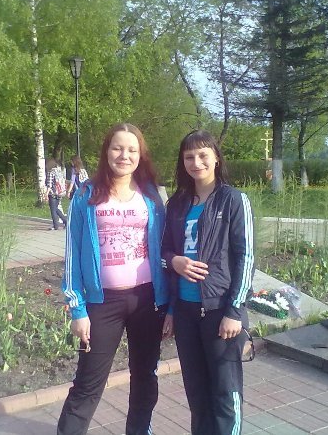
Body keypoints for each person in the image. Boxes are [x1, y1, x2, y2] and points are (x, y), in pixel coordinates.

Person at [57, 122, 170, 435]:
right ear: (106, 151)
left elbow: (163, 247)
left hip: (147, 300)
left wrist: (170, 303)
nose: (124, 155)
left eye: (132, 150)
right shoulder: (86, 194)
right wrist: (77, 308)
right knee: (88, 383)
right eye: (118, 148)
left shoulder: (150, 196)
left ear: (140, 155)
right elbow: (72, 253)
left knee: (145, 377)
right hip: (102, 303)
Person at [161, 130, 255, 435]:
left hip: (219, 311)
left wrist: (235, 311)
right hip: (186, 312)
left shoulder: (233, 200)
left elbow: (246, 257)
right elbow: (163, 253)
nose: (196, 162)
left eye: (203, 155)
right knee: (197, 394)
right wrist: (174, 262)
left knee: (225, 392)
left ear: (216, 158)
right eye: (189, 156)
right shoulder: (176, 204)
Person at [45, 158, 68, 230]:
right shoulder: (59, 171)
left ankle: (56, 225)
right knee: (56, 208)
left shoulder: (51, 172)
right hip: (60, 193)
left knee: (53, 210)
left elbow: (49, 185)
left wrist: (46, 194)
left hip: (53, 193)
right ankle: (65, 221)